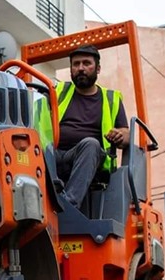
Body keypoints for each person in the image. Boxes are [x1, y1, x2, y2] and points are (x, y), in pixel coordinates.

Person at [53, 44, 129, 209]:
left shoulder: (111, 99)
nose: (80, 68)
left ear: (98, 68)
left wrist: (120, 135)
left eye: (86, 63)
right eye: (76, 64)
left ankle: (67, 206)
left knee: (90, 144)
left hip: (89, 159)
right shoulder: (57, 91)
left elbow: (126, 133)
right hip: (54, 154)